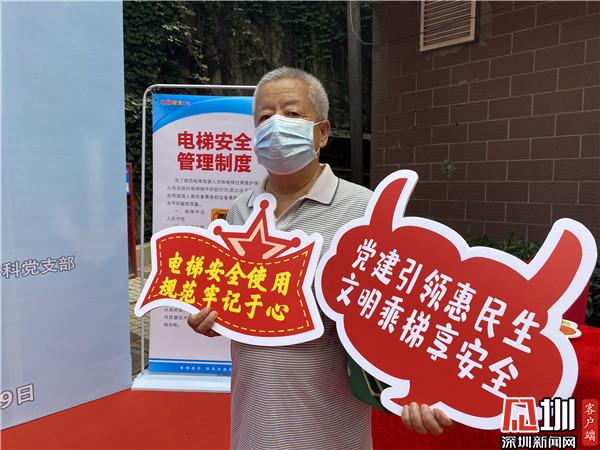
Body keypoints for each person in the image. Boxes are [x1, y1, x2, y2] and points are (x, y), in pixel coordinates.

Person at [187, 67, 454, 449]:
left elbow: (408, 314)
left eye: (292, 114)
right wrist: (214, 321)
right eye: (265, 117)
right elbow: (238, 307)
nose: (276, 125)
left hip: (331, 429)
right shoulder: (239, 211)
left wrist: (425, 387)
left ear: (322, 132)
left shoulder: (365, 210)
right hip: (253, 424)